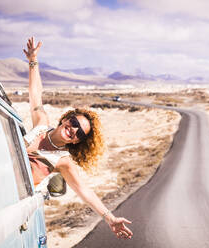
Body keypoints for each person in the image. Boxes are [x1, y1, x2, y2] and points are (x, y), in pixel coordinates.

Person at [22, 37, 133, 240]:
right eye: (73, 122)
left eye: (79, 133)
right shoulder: (41, 125)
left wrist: (110, 219)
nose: (74, 129)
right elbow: (36, 94)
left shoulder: (63, 161)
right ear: (65, 119)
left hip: (11, 205)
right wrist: (33, 61)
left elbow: (85, 191)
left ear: (76, 141)